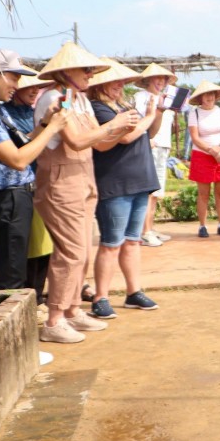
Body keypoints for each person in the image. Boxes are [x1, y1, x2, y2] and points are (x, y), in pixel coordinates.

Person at [34, 42, 133, 344]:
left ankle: (73, 308)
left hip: (84, 179)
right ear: (66, 72)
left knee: (83, 251)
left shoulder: (81, 100)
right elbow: (76, 141)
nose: (91, 74)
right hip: (61, 181)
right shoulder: (56, 97)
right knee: (71, 252)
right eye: (86, 69)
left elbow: (98, 143)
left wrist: (121, 127)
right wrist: (114, 124)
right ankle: (54, 319)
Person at [0, 50, 67, 293]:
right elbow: (17, 160)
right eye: (14, 78)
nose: (18, 85)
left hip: (16, 196)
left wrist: (46, 123)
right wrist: (52, 130)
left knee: (18, 268)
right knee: (9, 276)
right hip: (6, 198)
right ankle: (1, 326)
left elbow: (22, 144)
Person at [85, 61, 162, 319]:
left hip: (139, 180)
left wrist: (156, 112)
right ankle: (101, 296)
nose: (120, 86)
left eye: (121, 82)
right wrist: (148, 117)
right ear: (100, 85)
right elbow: (127, 136)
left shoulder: (123, 106)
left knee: (132, 240)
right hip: (115, 184)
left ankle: (133, 291)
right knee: (111, 243)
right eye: (114, 82)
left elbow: (148, 133)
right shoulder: (98, 108)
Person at [2, 70, 55, 304]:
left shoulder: (33, 111)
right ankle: (30, 297)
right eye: (28, 87)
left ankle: (38, 294)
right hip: (22, 183)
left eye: (37, 87)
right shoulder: (7, 115)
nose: (34, 90)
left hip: (40, 182)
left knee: (44, 244)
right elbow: (22, 146)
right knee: (31, 246)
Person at [133, 63, 180, 247]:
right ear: (148, 80)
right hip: (150, 146)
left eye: (164, 78)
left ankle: (150, 229)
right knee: (148, 192)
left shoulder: (166, 99)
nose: (161, 81)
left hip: (163, 147)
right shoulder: (141, 97)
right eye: (157, 78)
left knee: (157, 192)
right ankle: (143, 232)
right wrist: (146, 139)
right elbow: (139, 119)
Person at [187, 80, 220, 238]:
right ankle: (202, 226)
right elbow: (195, 137)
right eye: (206, 94)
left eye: (212, 94)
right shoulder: (195, 113)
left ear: (216, 95)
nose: (209, 97)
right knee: (203, 193)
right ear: (200, 98)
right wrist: (211, 151)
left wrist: (219, 147)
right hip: (202, 155)